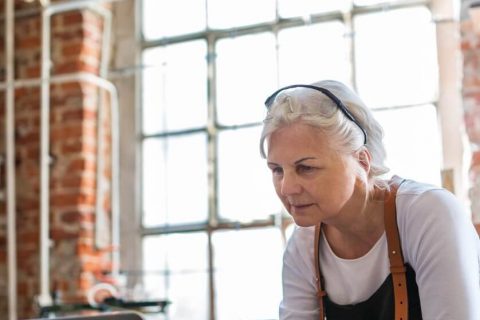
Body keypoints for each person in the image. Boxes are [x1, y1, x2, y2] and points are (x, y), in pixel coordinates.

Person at [259, 80, 480, 319]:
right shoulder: (303, 246)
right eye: (277, 170)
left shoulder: (429, 214)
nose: (287, 188)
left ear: (362, 162)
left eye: (306, 168)